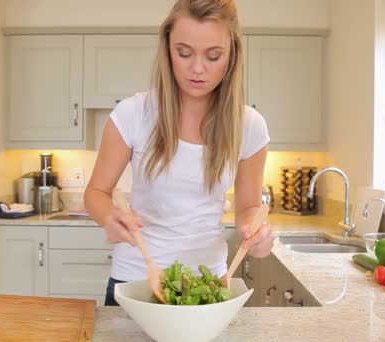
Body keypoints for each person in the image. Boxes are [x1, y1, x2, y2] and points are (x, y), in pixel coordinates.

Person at [84, 0, 273, 306]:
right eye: (183, 53)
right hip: (136, 279)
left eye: (213, 56)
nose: (197, 68)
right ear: (167, 48)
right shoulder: (133, 113)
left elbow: (249, 207)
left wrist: (256, 233)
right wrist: (109, 217)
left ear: (232, 55)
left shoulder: (249, 125)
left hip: (208, 283)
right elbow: (96, 192)